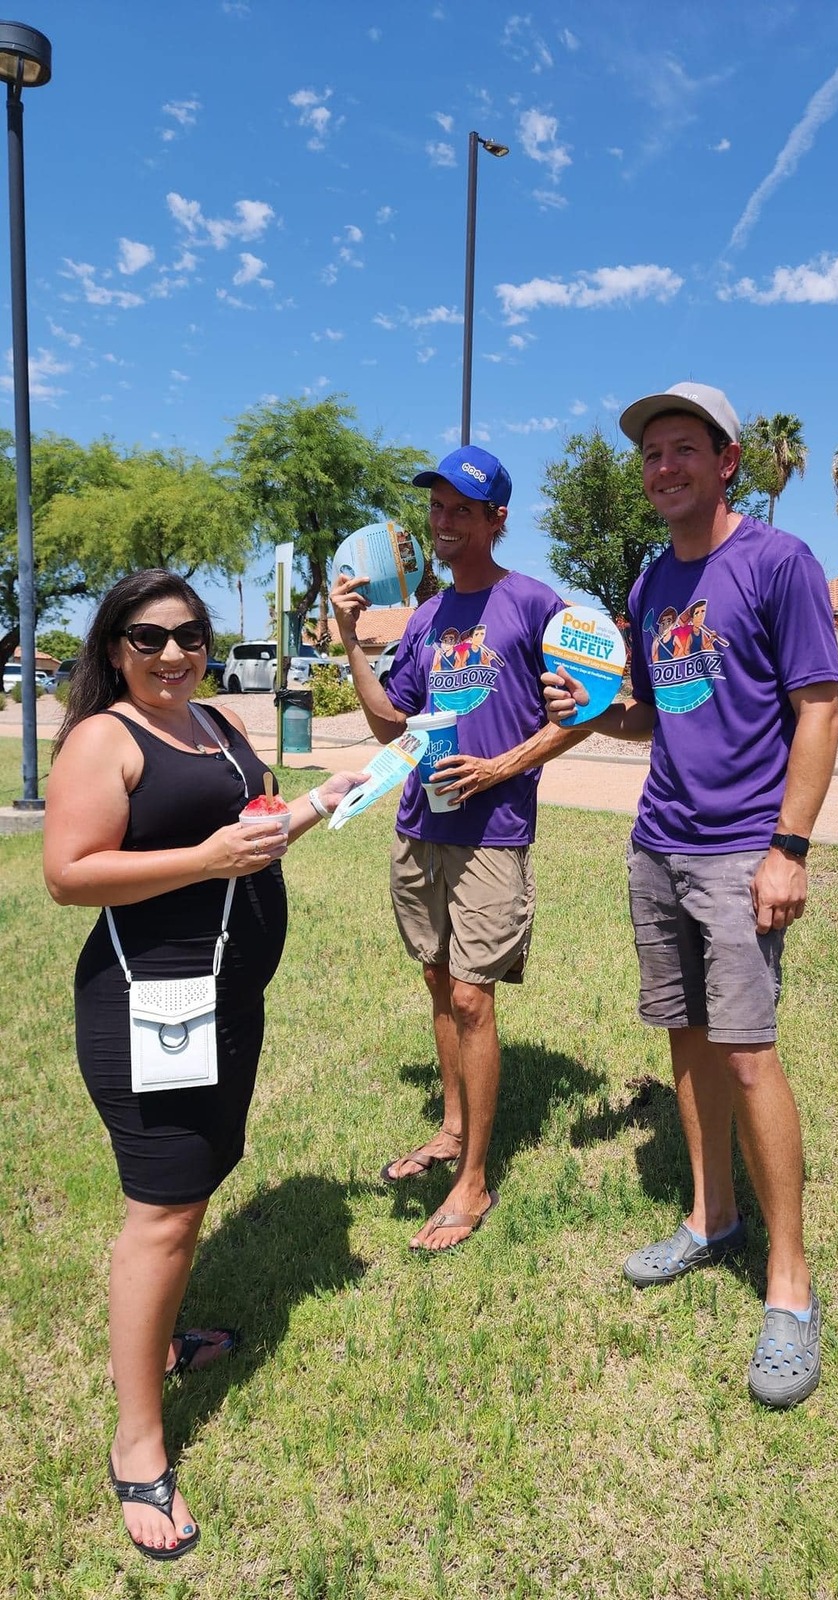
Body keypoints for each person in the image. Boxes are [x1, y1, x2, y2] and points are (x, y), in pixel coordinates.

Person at [43, 569, 359, 1560]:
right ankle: (139, 1444)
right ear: (113, 647)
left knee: (196, 1184)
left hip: (225, 999)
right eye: (148, 638)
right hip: (151, 1004)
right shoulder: (108, 737)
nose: (174, 654)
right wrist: (203, 861)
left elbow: (248, 837)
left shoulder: (213, 722)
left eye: (188, 635)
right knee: (164, 1209)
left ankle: (162, 1345)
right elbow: (70, 873)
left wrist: (321, 803)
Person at [543, 383, 838, 1408]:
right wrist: (590, 708)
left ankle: (790, 1288)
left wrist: (788, 847)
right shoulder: (650, 582)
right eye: (650, 454)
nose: (662, 467)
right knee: (683, 1038)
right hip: (659, 841)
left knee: (750, 1054)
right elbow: (656, 714)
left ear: (728, 460)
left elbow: (817, 708)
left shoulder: (776, 562)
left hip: (740, 851)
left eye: (682, 449)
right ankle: (713, 1216)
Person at [331, 447, 582, 1252]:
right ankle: (449, 1125)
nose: (443, 523)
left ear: (496, 519)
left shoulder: (536, 604)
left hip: (491, 833)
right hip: (419, 825)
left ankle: (474, 1179)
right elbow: (388, 723)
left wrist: (503, 765)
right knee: (439, 982)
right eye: (436, 509)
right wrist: (350, 640)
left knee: (475, 996)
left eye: (461, 510)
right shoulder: (427, 617)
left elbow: (581, 710)